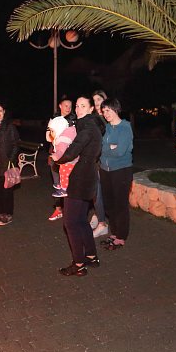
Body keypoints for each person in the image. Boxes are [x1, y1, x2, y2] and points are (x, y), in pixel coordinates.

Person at [55, 96, 102, 276]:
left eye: (84, 106)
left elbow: (73, 149)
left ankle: (79, 264)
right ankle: (91, 256)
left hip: (79, 179)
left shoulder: (87, 128)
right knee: (81, 220)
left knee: (70, 223)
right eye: (77, 105)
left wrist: (57, 158)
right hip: (86, 178)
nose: (79, 109)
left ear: (91, 109)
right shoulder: (90, 126)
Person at [98, 98, 134, 251]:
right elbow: (98, 148)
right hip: (105, 170)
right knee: (109, 204)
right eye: (103, 111)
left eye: (108, 110)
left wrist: (106, 147)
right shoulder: (106, 128)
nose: (106, 114)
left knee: (120, 204)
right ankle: (114, 232)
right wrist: (109, 146)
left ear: (116, 109)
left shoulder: (125, 128)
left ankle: (121, 236)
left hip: (121, 171)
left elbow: (120, 152)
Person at [48, 96, 75, 221]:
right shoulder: (54, 119)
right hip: (56, 155)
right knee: (58, 184)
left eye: (70, 106)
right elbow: (48, 136)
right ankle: (58, 209)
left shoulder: (73, 120)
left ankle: (70, 211)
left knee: (69, 184)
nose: (68, 108)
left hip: (70, 158)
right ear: (60, 106)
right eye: (65, 105)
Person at [89, 89, 109, 237]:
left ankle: (102, 222)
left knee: (100, 192)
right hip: (95, 160)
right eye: (94, 100)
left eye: (99, 100)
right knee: (96, 191)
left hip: (108, 161)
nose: (96, 103)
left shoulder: (109, 117)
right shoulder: (94, 118)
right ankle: (99, 217)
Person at [48, 116, 77, 198]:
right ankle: (62, 185)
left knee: (64, 173)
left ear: (59, 128)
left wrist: (56, 156)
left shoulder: (62, 139)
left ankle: (64, 189)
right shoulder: (64, 135)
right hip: (68, 161)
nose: (51, 133)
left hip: (69, 162)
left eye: (52, 131)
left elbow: (61, 150)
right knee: (62, 172)